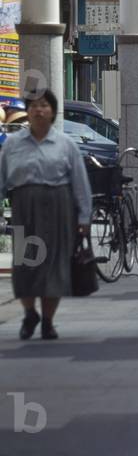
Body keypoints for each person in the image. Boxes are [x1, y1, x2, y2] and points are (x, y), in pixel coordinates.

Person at [0, 88, 92, 341]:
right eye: (34, 106)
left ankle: (48, 322)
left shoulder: (66, 144)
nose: (39, 109)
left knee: (54, 267)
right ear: (27, 112)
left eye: (44, 105)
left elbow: (80, 184)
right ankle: (30, 313)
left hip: (58, 209)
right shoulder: (12, 145)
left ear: (52, 111)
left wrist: (84, 218)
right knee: (25, 266)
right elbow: (1, 178)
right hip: (23, 208)